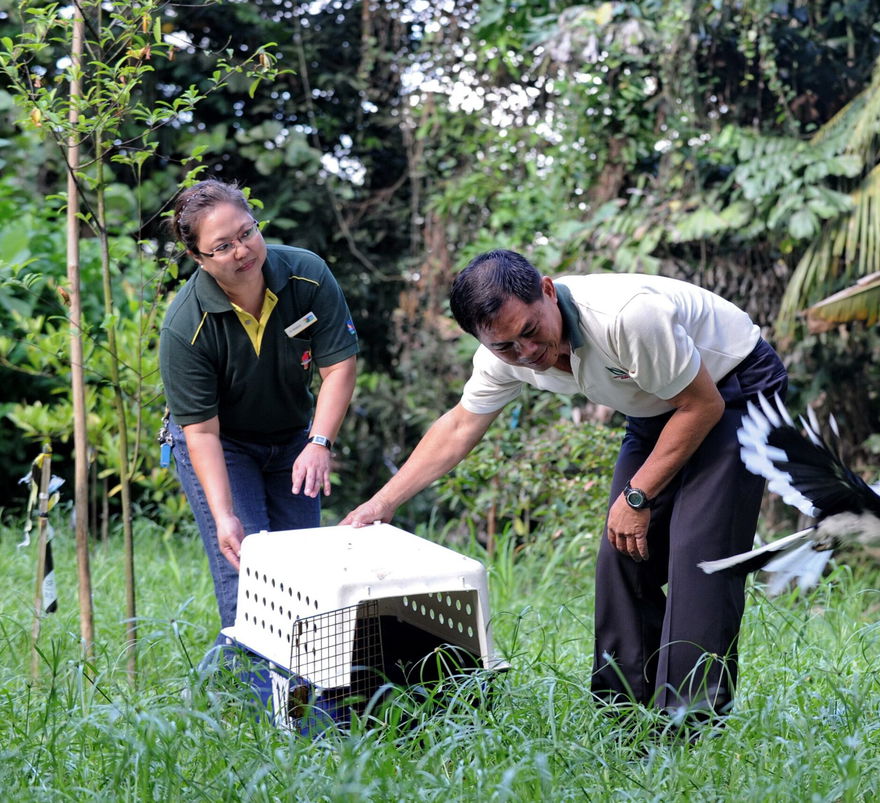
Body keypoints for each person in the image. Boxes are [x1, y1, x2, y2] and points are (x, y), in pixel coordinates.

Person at [342, 249, 787, 722]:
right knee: (621, 555)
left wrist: (636, 496)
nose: (526, 354)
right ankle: (621, 718)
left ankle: (688, 728)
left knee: (700, 557)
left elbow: (702, 407)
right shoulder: (503, 355)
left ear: (549, 292)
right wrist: (383, 502)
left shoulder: (625, 316)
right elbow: (459, 427)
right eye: (506, 347)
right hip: (657, 407)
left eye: (531, 332)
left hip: (734, 391)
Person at [159, 179, 358, 633]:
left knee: (304, 574)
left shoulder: (306, 276)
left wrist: (319, 441)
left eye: (247, 232)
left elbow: (339, 368)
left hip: (293, 437)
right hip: (223, 445)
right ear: (198, 258)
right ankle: (256, 703)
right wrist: (224, 515)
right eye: (223, 246)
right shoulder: (185, 326)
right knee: (249, 575)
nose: (242, 250)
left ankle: (312, 702)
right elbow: (202, 433)